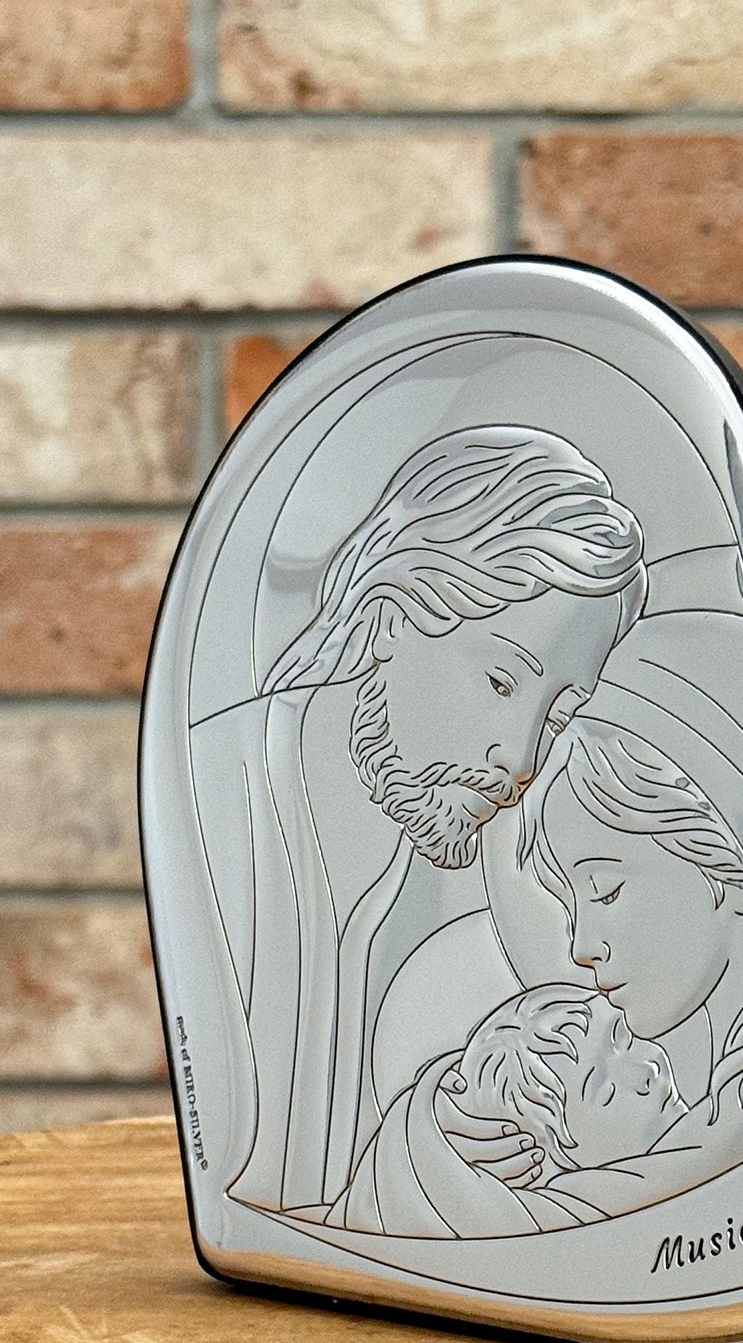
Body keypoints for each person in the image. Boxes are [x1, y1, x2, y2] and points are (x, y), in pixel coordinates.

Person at [343, 610, 743, 1237]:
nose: (580, 947)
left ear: (732, 859)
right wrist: (458, 1111)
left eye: (604, 889)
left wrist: (430, 1150)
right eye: (570, 902)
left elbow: (575, 1238)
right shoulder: (733, 1107)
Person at [196, 426, 646, 1215]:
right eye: (502, 681)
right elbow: (248, 1192)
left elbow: (307, 1208)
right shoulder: (219, 800)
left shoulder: (430, 862)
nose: (521, 759)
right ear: (392, 616)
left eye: (558, 714)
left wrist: (431, 1141)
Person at [330, 984, 689, 1234]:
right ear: (540, 1162)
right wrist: (424, 1136)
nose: (646, 1070)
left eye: (624, 1037)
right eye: (605, 1091)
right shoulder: (583, 1215)